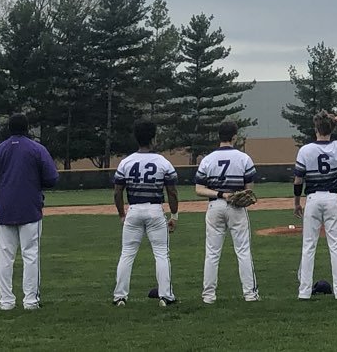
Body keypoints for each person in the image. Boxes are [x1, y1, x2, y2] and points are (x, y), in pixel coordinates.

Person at [0, 114, 58, 311]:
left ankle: (6, 302)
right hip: (30, 208)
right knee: (31, 255)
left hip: (6, 209)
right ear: (27, 128)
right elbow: (51, 178)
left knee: (6, 257)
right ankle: (30, 301)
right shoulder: (36, 149)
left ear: (9, 128)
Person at [111, 121, 179, 307]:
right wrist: (174, 216)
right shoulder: (163, 162)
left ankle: (120, 296)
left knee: (127, 254)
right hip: (155, 210)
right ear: (153, 138)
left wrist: (121, 214)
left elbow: (117, 191)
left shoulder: (126, 162)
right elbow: (172, 191)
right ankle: (165, 296)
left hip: (134, 210)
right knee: (161, 254)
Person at [293, 112, 337, 300]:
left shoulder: (305, 150)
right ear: (331, 128)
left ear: (316, 129)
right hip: (332, 199)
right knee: (335, 246)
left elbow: (298, 180)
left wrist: (297, 203)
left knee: (308, 246)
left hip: (313, 199)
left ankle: (304, 291)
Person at [195, 121, 260, 304]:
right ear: (234, 137)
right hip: (236, 208)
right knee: (243, 251)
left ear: (218, 136)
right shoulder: (243, 158)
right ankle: (250, 294)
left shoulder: (208, 159)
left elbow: (199, 189)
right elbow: (249, 189)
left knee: (212, 253)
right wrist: (236, 195)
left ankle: (208, 296)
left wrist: (220, 194)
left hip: (215, 205)